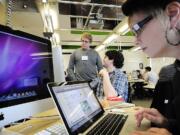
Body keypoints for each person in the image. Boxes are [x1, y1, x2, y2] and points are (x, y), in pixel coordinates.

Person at [122, 0, 180, 134]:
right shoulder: (177, 71)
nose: (135, 40)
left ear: (173, 14)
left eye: (137, 29)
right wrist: (165, 122)